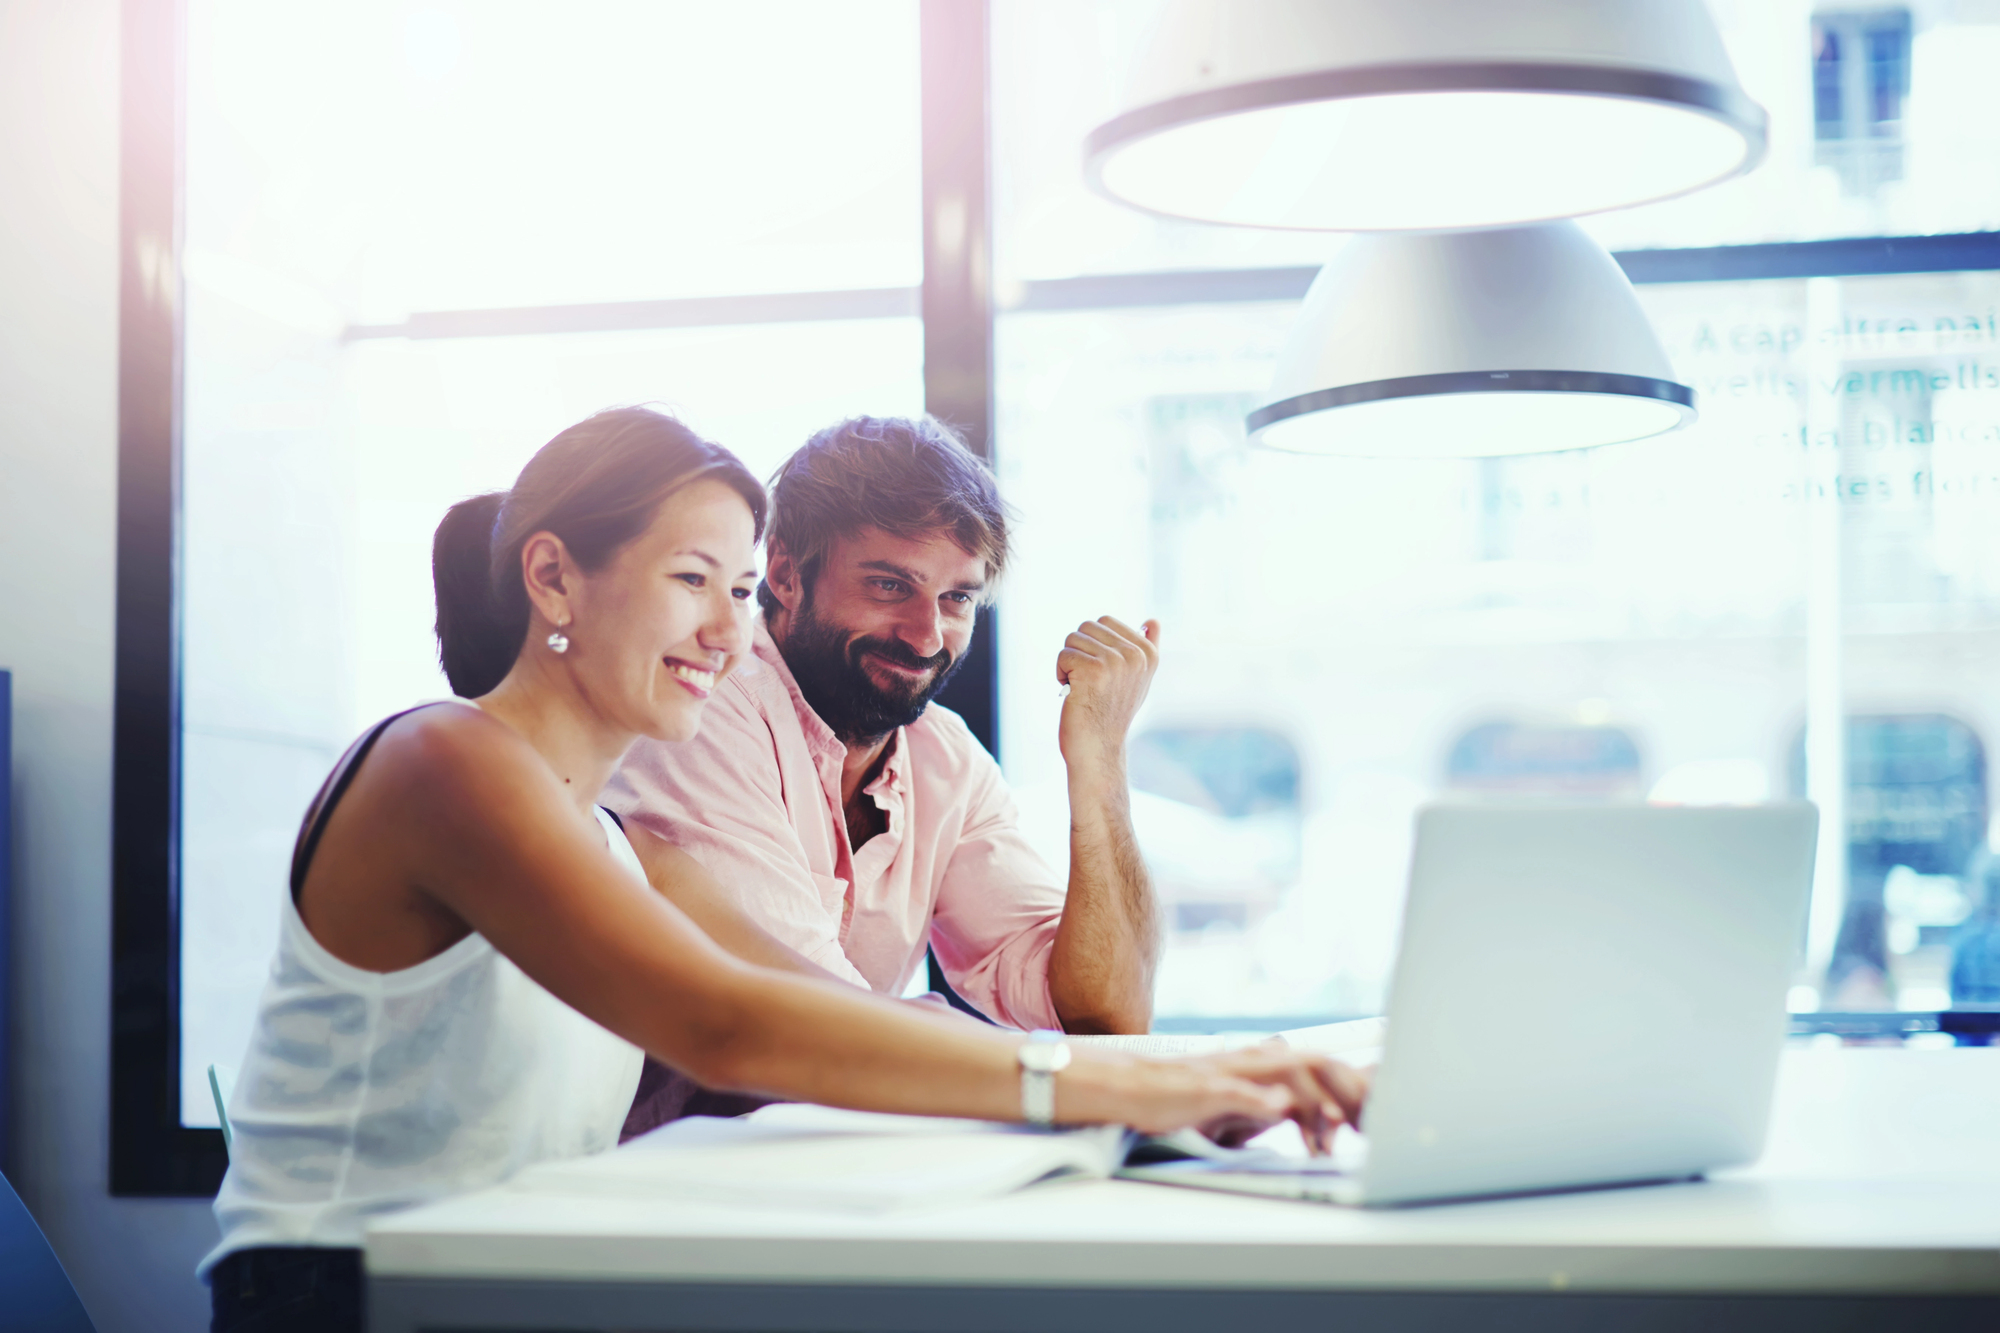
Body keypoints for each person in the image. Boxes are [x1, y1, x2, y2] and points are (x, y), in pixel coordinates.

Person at [202, 407, 1366, 1333]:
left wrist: (1197, 1072)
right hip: (336, 1288)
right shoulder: (444, 759)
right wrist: (1155, 1086)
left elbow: (813, 1006)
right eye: (689, 580)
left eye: (740, 590)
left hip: (507, 1266)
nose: (725, 631)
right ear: (554, 581)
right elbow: (729, 1025)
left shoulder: (615, 840)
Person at [608, 415, 1167, 1133]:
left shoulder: (945, 756)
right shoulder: (709, 706)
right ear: (783, 574)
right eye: (888, 585)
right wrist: (1125, 1089)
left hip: (830, 1169)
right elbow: (810, 1024)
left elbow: (1107, 1009)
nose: (927, 635)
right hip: (663, 1191)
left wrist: (1099, 761)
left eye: (956, 598)